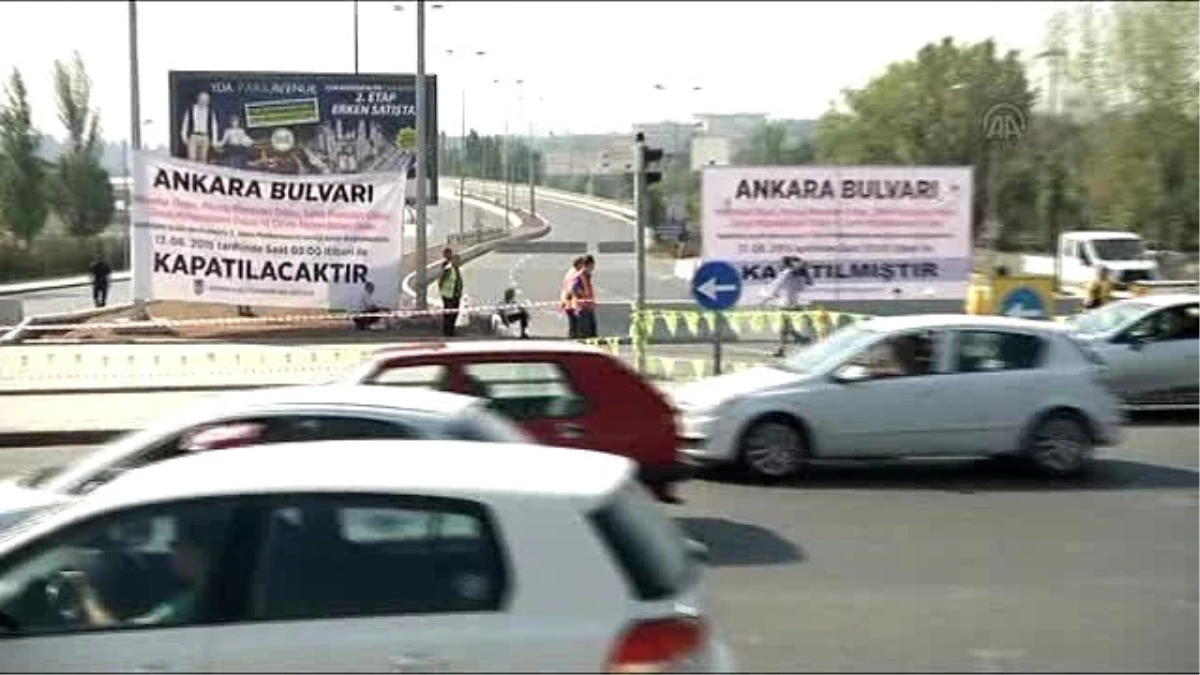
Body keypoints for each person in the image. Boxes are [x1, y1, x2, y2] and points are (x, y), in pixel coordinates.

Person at [65, 518, 223, 627]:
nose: (171, 550)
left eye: (176, 544)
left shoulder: (188, 604)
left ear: (198, 553)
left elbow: (120, 638)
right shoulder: (206, 594)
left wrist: (86, 593)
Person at [761, 256, 814, 357]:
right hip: (796, 304)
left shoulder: (787, 273)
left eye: (781, 263)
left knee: (785, 329)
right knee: (787, 328)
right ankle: (785, 347)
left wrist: (766, 299)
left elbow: (776, 287)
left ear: (785, 264)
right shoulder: (797, 275)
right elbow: (803, 287)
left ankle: (799, 341)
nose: (779, 265)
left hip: (786, 305)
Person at [180, 91, 219, 163]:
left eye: (207, 100)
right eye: (203, 99)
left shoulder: (210, 111)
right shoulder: (191, 109)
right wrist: (184, 137)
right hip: (193, 136)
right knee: (191, 159)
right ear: (198, 99)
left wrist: (214, 140)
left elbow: (214, 126)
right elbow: (185, 123)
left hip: (205, 137)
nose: (205, 101)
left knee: (203, 160)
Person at [571, 255, 599, 339]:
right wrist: (584, 297)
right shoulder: (580, 276)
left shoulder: (587, 276)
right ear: (589, 265)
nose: (593, 268)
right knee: (585, 333)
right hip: (582, 308)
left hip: (588, 307)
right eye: (592, 266)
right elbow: (574, 288)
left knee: (592, 332)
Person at [438, 248, 464, 337]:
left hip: (455, 295)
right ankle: (447, 332)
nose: (459, 263)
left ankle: (451, 330)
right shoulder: (448, 269)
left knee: (454, 313)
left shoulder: (456, 269)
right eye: (457, 261)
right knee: (448, 315)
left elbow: (458, 282)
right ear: (453, 260)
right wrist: (442, 292)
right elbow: (441, 280)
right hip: (448, 296)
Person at [560, 256, 585, 338]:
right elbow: (571, 288)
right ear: (578, 264)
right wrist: (581, 295)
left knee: (573, 321)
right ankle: (573, 337)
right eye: (582, 264)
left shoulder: (571, 272)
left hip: (568, 299)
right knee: (575, 321)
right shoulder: (574, 274)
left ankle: (572, 335)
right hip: (570, 300)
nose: (583, 267)